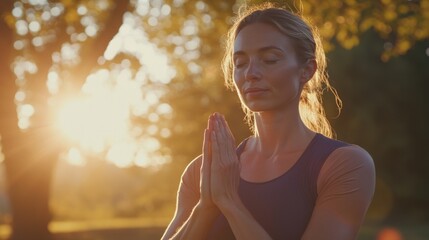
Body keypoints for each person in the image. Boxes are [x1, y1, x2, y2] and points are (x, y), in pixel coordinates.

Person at [161, 3, 375, 240]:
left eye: (270, 59)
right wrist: (205, 207)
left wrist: (229, 202)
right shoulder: (204, 170)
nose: (250, 73)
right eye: (240, 63)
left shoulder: (344, 165)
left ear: (307, 70)